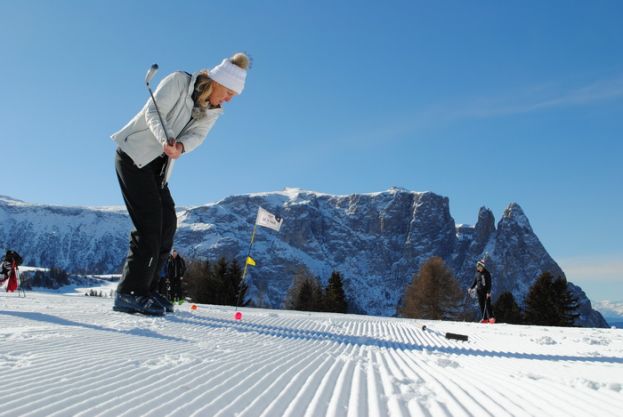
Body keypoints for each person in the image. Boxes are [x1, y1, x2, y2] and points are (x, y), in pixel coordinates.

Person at [111, 53, 250, 315]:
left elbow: (197, 136)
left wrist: (182, 146)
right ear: (217, 81)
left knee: (167, 225)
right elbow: (154, 111)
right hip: (134, 156)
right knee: (150, 225)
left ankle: (148, 290)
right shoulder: (178, 82)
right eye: (229, 92)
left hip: (158, 168)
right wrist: (166, 138)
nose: (229, 99)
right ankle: (129, 293)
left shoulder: (212, 111)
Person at [469, 259, 495, 323]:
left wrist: (488, 292)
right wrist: (471, 287)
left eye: (479, 267)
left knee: (488, 305)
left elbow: (489, 284)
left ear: (482, 267)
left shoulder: (487, 273)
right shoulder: (477, 273)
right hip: (479, 291)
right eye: (477, 267)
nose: (478, 268)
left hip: (486, 292)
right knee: (481, 305)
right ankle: (485, 318)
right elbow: (475, 281)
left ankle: (491, 318)